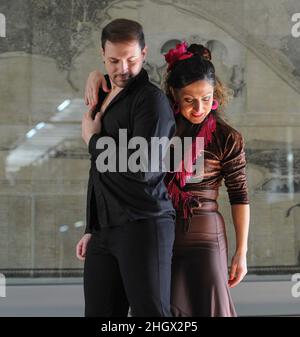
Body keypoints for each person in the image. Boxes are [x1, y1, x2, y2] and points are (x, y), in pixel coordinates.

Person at [85, 42, 250, 317]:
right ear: (174, 95)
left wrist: (241, 253)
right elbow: (123, 81)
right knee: (157, 312)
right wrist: (96, 76)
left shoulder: (227, 137)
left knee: (207, 307)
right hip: (157, 231)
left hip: (204, 236)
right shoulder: (155, 121)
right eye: (189, 100)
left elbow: (240, 196)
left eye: (207, 99)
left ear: (216, 94)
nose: (199, 108)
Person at [76, 18, 176, 317]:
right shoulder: (106, 93)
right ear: (102, 55)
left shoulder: (151, 100)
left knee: (153, 318)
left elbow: (143, 165)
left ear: (144, 54)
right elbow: (100, 173)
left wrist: (92, 141)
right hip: (106, 230)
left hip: (145, 224)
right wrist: (92, 226)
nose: (123, 68)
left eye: (131, 59)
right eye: (113, 60)